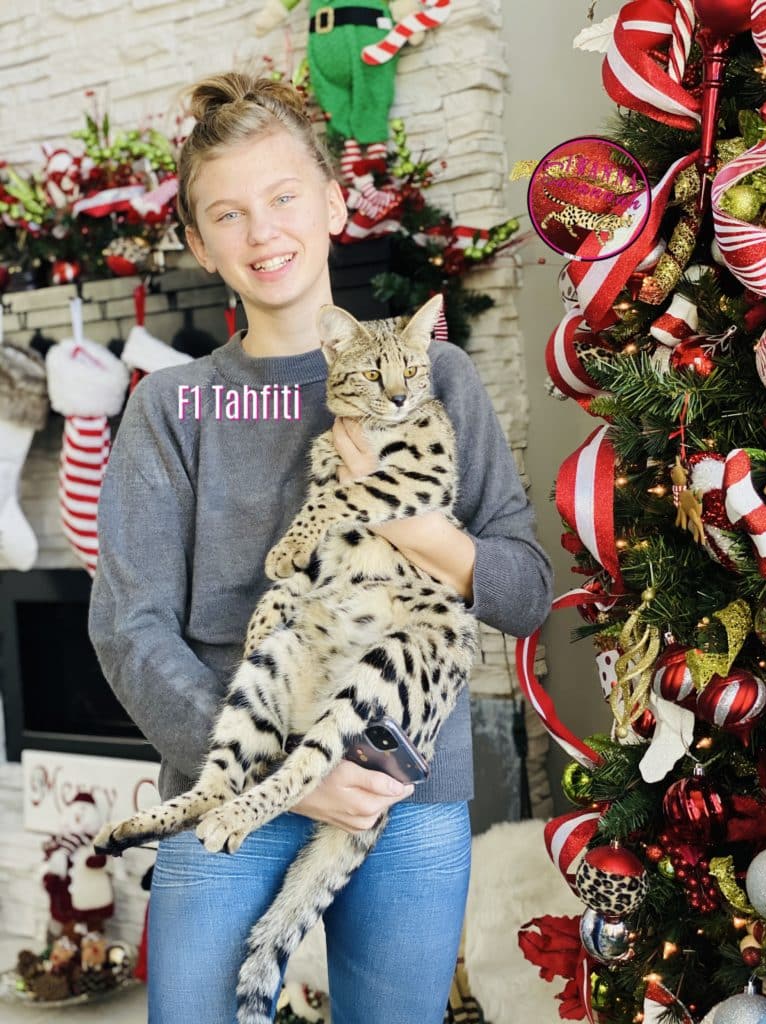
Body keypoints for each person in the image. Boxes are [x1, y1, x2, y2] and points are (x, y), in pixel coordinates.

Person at [88, 72, 553, 1024]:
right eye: (228, 213)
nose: (262, 232)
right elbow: (128, 627)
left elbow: (525, 591)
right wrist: (290, 774)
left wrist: (409, 523)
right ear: (198, 243)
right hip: (232, 775)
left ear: (336, 205)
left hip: (404, 793)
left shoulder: (439, 375)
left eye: (284, 197)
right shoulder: (171, 407)